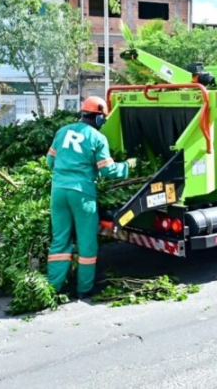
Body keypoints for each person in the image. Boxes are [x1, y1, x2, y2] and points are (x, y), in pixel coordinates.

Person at [46, 96, 132, 298]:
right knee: (86, 243)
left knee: (60, 240)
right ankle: (84, 289)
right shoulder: (97, 138)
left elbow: (50, 161)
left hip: (58, 192)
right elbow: (108, 170)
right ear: (100, 117)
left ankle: (53, 288)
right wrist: (128, 166)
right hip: (82, 194)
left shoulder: (62, 131)